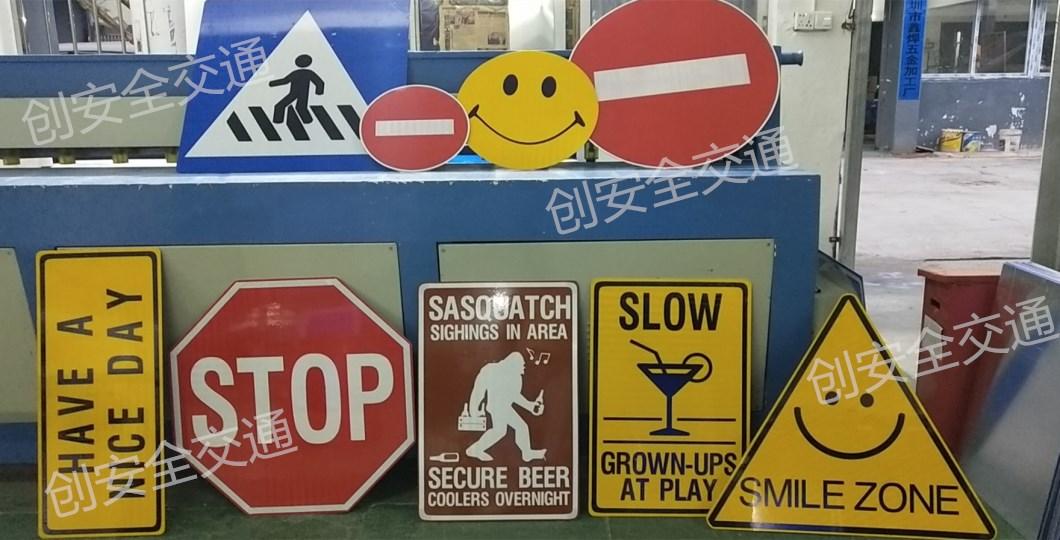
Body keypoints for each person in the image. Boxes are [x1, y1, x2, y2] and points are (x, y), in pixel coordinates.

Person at [465, 352, 546, 462]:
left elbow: (515, 396)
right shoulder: (491, 369)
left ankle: (527, 453)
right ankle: (474, 450)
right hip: (496, 407)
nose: (524, 368)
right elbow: (478, 389)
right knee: (501, 431)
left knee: (520, 427)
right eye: (521, 365)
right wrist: (473, 409)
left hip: (505, 407)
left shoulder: (516, 377)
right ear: (513, 364)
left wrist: (531, 407)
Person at [269, 54, 324, 124]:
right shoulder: (303, 73)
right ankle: (278, 121)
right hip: (295, 93)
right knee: (285, 106)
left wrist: (319, 91)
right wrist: (272, 83)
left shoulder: (302, 73)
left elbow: (319, 82)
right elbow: (319, 82)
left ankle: (308, 122)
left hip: (300, 94)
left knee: (298, 108)